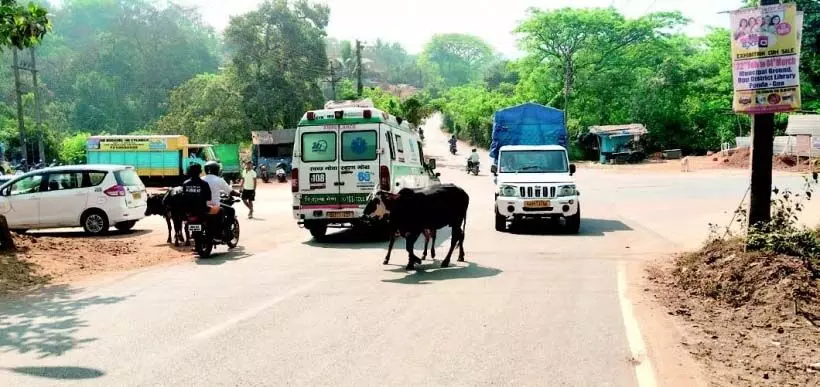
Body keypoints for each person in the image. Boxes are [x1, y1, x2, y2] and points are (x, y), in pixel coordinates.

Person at [202, 161, 239, 240]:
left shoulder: (201, 179)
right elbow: (230, 191)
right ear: (217, 170)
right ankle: (226, 231)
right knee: (231, 210)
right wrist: (238, 194)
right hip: (214, 205)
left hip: (202, 205)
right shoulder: (219, 180)